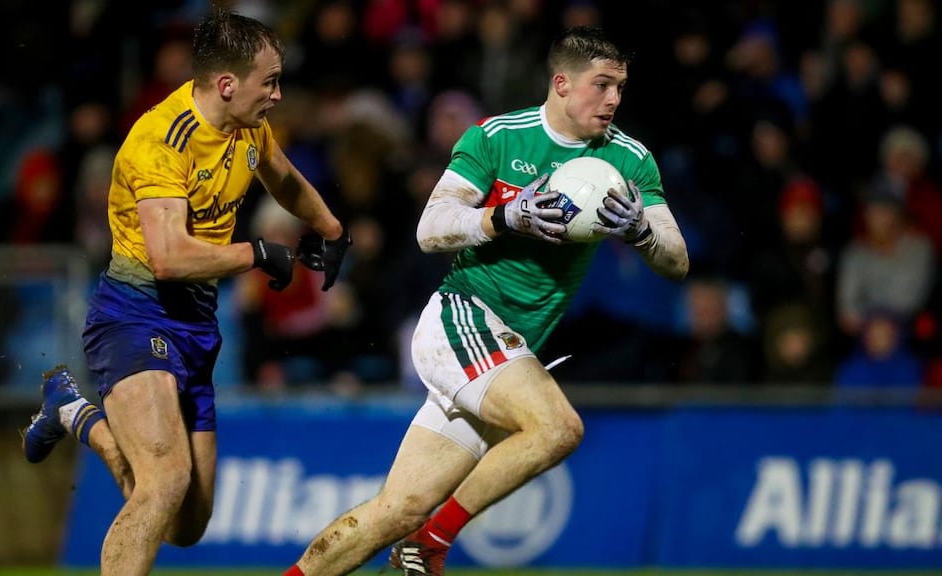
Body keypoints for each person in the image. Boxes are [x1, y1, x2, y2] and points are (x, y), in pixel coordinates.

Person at [284, 25, 689, 576]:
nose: (614, 99)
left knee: (394, 510)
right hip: (463, 318)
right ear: (562, 83)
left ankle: (382, 548)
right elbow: (431, 229)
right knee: (558, 428)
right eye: (603, 85)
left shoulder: (629, 159)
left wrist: (642, 230)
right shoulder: (498, 137)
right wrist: (505, 216)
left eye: (620, 86)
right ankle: (430, 544)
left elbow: (677, 260)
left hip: (509, 349)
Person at [18, 8, 350, 576]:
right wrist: (255, 253)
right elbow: (169, 258)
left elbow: (283, 176)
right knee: (164, 480)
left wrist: (331, 229)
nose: (277, 94)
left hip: (196, 323)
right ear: (228, 84)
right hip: (136, 314)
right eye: (269, 81)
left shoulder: (247, 128)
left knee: (187, 524)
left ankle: (76, 414)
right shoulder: (159, 143)